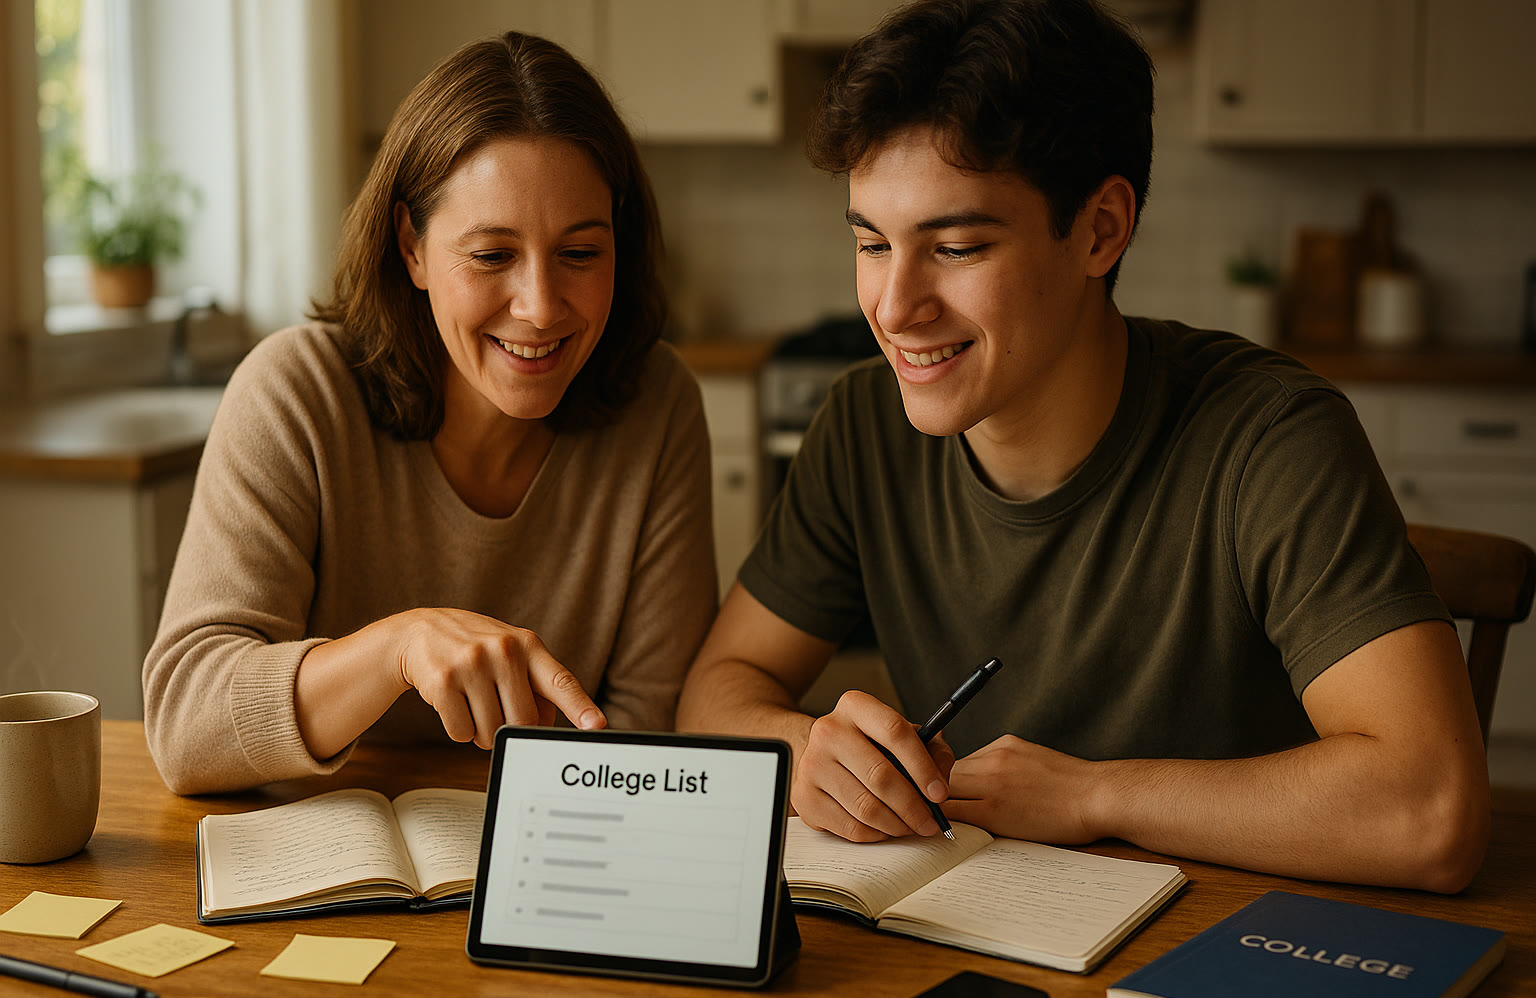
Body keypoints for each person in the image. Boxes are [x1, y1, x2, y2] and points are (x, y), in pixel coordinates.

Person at [676, 0, 1488, 893]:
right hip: (988, 929)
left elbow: (1430, 811)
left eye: (955, 247)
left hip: (1232, 946)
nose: (894, 308)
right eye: (872, 243)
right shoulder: (863, 425)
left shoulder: (1271, 437)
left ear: (1100, 230)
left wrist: (1098, 796)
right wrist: (806, 748)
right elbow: (717, 689)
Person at [144, 31, 717, 795]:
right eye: (491, 256)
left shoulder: (659, 404)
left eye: (581, 254)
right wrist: (396, 650)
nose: (541, 308)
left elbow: (654, 736)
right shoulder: (295, 392)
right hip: (320, 873)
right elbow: (186, 728)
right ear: (412, 247)